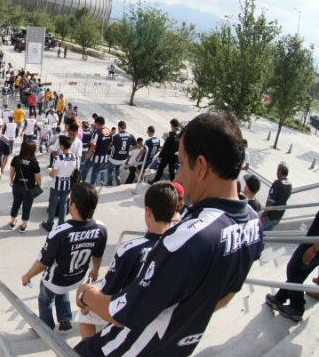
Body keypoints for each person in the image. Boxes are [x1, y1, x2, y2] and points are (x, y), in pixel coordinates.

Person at [73, 111, 263, 357]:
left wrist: (86, 294)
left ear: (202, 166)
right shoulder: (253, 225)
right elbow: (226, 296)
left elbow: (121, 312)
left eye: (183, 164)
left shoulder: (186, 240)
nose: (179, 176)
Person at [78, 181, 177, 339]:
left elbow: (107, 289)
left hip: (128, 311)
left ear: (148, 211)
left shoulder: (130, 248)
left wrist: (85, 299)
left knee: (84, 312)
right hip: (159, 312)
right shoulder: (178, 248)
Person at [265, 156, 319, 321]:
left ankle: (297, 307)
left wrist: (313, 249)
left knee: (293, 268)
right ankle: (281, 297)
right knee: (300, 270)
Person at [22, 182, 106, 332]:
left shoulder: (60, 232)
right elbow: (98, 254)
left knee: (45, 300)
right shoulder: (100, 228)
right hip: (77, 277)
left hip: (55, 281)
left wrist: (28, 275)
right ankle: (65, 318)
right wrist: (96, 270)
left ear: (73, 205)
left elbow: (43, 263)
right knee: (63, 289)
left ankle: (46, 327)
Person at [45, 135, 79, 232]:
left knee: (53, 204)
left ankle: (49, 224)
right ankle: (61, 225)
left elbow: (53, 174)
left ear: (62, 146)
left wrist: (50, 170)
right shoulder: (76, 157)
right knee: (64, 204)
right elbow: (76, 171)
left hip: (56, 184)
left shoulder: (58, 158)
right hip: (68, 183)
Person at [8, 141, 41, 232]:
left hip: (17, 185)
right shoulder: (34, 163)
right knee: (27, 206)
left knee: (15, 204)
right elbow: (38, 178)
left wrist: (11, 181)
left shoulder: (16, 159)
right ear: (33, 150)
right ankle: (24, 225)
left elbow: (11, 173)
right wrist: (38, 187)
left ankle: (12, 222)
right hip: (29, 188)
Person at [262, 162, 292, 231]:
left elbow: (270, 201)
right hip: (279, 216)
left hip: (270, 215)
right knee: (266, 235)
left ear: (280, 171)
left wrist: (264, 214)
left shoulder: (277, 183)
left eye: (277, 170)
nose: (276, 173)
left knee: (258, 232)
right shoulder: (289, 184)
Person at [106, 121, 136, 186]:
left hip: (113, 158)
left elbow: (108, 146)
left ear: (119, 127)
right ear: (125, 127)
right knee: (118, 167)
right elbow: (135, 145)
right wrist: (127, 149)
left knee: (110, 170)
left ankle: (109, 183)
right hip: (123, 159)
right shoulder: (131, 136)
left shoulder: (115, 136)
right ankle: (118, 177)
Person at [151, 118, 181, 182]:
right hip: (174, 155)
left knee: (160, 167)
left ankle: (155, 181)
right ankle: (173, 181)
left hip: (167, 155)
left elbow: (166, 146)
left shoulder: (171, 134)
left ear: (172, 125)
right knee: (171, 169)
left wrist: (160, 155)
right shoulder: (179, 134)